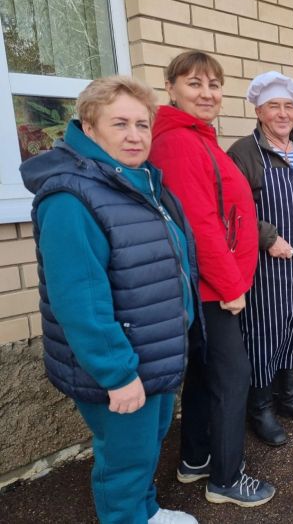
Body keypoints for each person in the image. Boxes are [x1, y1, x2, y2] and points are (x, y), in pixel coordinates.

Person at [20, 76, 200, 524]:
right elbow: (79, 300)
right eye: (120, 123)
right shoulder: (71, 197)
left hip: (151, 354)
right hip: (120, 365)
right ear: (89, 126)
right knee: (124, 463)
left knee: (146, 447)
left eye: (142, 124)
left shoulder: (135, 184)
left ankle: (147, 512)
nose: (135, 135)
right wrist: (117, 374)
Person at [149, 51, 275, 507]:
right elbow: (199, 224)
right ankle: (227, 478)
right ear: (171, 88)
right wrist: (231, 286)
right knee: (231, 375)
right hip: (212, 288)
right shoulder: (179, 142)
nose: (207, 93)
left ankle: (196, 458)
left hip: (212, 284)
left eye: (214, 85)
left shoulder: (195, 137)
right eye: (194, 83)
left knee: (204, 374)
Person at [227, 72, 293, 446]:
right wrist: (268, 237)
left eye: (289, 106)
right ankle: (261, 409)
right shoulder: (243, 153)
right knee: (265, 336)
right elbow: (232, 211)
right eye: (274, 106)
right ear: (258, 110)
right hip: (264, 266)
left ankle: (290, 397)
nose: (283, 114)